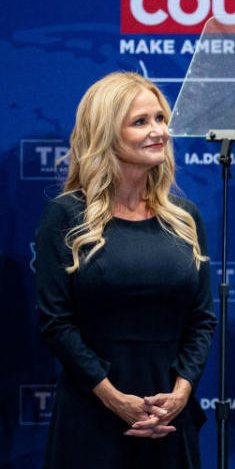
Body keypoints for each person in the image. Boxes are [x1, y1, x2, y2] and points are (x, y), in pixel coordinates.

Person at [35, 72, 216, 468]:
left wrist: (181, 393)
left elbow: (202, 319)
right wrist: (113, 397)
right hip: (92, 412)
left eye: (160, 118)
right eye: (141, 122)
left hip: (169, 413)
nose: (159, 131)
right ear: (105, 133)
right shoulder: (66, 216)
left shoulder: (185, 218)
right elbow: (56, 321)